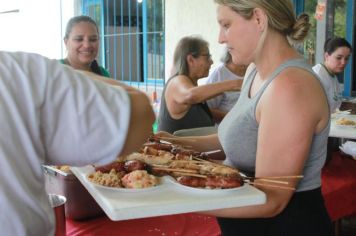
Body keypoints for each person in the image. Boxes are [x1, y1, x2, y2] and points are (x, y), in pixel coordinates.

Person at [156, 0, 333, 235]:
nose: (220, 38)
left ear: (259, 19)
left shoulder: (290, 87)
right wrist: (167, 142)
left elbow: (271, 200)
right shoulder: (254, 71)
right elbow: (233, 139)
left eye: (226, 25)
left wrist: (168, 195)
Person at [0, 51, 155, 236]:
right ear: (66, 43)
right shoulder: (20, 72)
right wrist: (65, 73)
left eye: (93, 38)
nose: (87, 45)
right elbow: (140, 115)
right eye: (79, 38)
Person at [157, 35, 242, 134]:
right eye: (207, 57)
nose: (211, 62)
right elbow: (191, 95)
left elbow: (207, 114)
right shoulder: (177, 82)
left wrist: (238, 119)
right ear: (191, 60)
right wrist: (235, 84)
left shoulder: (192, 85)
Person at [206, 50, 247, 123]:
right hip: (228, 127)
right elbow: (208, 109)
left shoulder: (254, 70)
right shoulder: (220, 73)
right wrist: (233, 118)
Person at [313, 37, 352, 113]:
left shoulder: (333, 76)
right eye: (339, 58)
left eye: (346, 58)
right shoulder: (317, 75)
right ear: (327, 56)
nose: (343, 62)